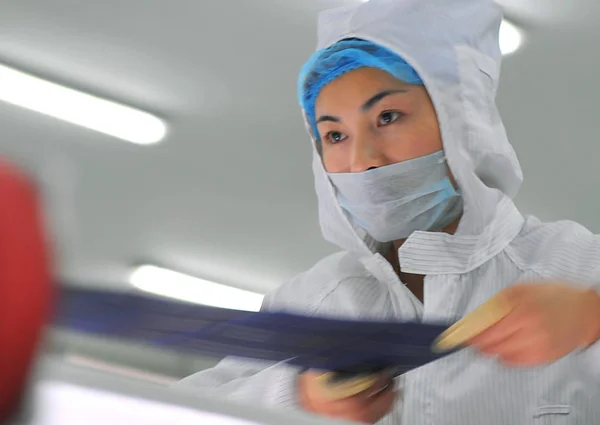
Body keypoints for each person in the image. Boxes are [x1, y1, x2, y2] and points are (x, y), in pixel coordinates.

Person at [176, 0, 600, 423]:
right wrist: (297, 398)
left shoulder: (578, 269)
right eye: (335, 135)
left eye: (388, 116)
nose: (363, 160)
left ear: (462, 122)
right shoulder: (315, 303)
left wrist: (591, 318)